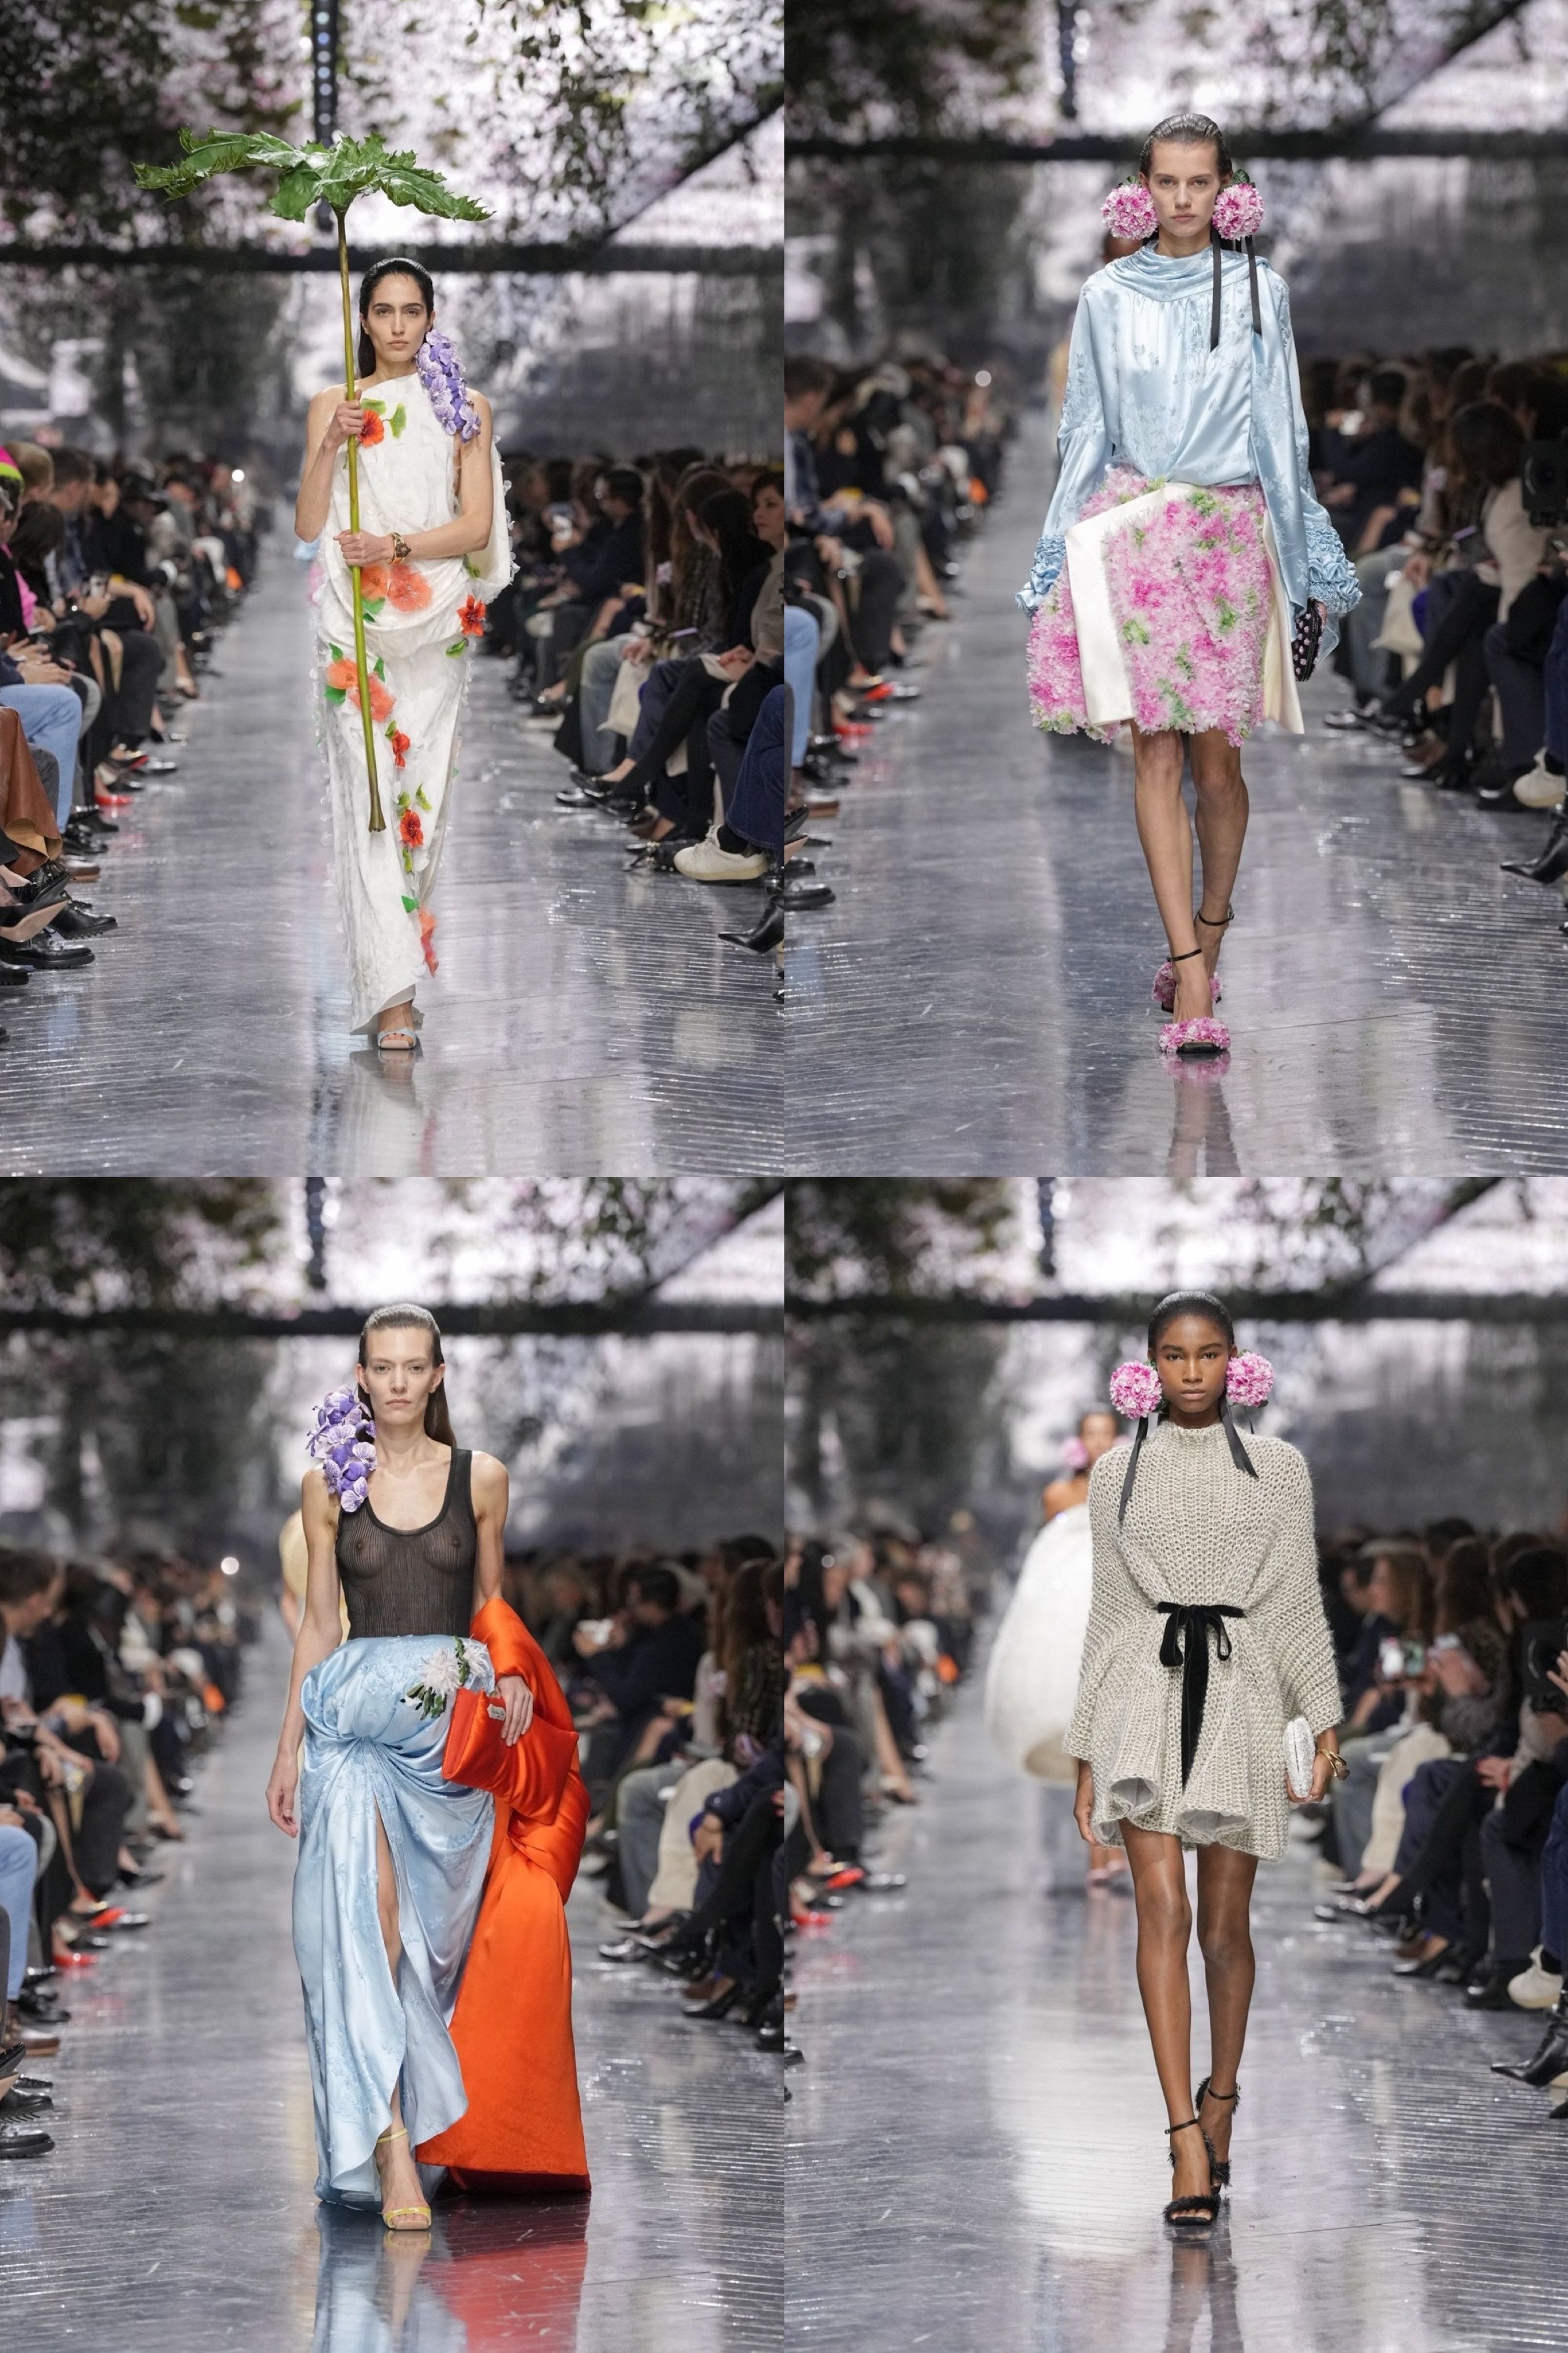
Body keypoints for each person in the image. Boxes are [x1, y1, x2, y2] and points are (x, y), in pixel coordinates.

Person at [1017, 114, 1360, 1057]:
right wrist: (1054, 549)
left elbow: (1283, 434)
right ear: (1141, 187)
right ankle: (1192, 983)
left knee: (1218, 768)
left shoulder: (1260, 290)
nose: (1180, 198)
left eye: (1198, 182)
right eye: (1164, 181)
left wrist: (1303, 558)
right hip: (1131, 534)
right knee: (1156, 757)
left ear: (1226, 189)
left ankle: (1209, 930)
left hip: (1227, 537)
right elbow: (1084, 429)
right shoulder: (1104, 294)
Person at [264, 1301, 588, 2230]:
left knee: (429, 1947)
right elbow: (319, 1623)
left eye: (415, 1366)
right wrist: (288, 1745)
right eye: (383, 1366)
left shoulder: (482, 1477)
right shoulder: (327, 1485)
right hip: (355, 1732)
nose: (399, 1381)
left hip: (450, 1741)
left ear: (438, 1375)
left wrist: (514, 1670)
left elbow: (490, 1601)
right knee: (370, 1924)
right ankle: (393, 2142)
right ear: (361, 1376)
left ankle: (418, 2111)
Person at [1066, 1290, 1344, 2229]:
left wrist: (1325, 1722)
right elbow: (1108, 1610)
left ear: (1236, 1360)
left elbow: (1295, 1600)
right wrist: (1084, 1750)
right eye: (1175, 1355)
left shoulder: (1277, 1466)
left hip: (1241, 1690)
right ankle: (1183, 2134)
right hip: (1140, 1692)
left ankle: (1221, 2097)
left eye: (1209, 1352)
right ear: (1148, 1364)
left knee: (1224, 1928)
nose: (1192, 1371)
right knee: (1165, 1911)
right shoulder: (1116, 1472)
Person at [294, 259, 511, 1052]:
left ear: (430, 318)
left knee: (420, 801)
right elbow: (308, 524)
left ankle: (397, 977)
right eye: (382, 311)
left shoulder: (466, 408)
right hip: (353, 627)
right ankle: (391, 999)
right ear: (363, 319)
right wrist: (331, 444)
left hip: (437, 620)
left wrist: (391, 545)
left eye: (410, 311)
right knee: (368, 797)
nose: (396, 326)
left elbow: (476, 527)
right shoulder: (334, 404)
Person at [985, 1409, 1129, 1886]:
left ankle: (1116, 1846)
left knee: (1118, 1732)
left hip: (1119, 1610)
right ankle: (1098, 1852)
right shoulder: (1058, 1495)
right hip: (1068, 1623)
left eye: (1105, 1433)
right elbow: (1050, 1559)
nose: (1099, 1442)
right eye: (1091, 1434)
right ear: (1079, 1442)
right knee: (1084, 1730)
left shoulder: (1136, 1486)